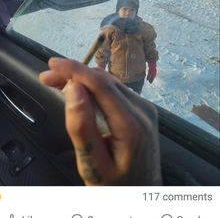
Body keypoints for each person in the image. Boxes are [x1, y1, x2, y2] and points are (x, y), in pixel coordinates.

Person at [39, 57, 162, 186]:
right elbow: (105, 49)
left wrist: (152, 63)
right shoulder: (113, 35)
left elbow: (149, 47)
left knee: (127, 102)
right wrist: (101, 64)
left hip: (136, 76)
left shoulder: (144, 35)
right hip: (116, 74)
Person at [95, 0, 159, 94]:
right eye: (124, 9)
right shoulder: (111, 29)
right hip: (116, 76)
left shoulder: (142, 30)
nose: (128, 13)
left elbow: (150, 49)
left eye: (132, 10)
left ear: (136, 12)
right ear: (118, 10)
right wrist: (100, 67)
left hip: (137, 77)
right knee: (117, 102)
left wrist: (152, 66)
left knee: (133, 102)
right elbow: (103, 50)